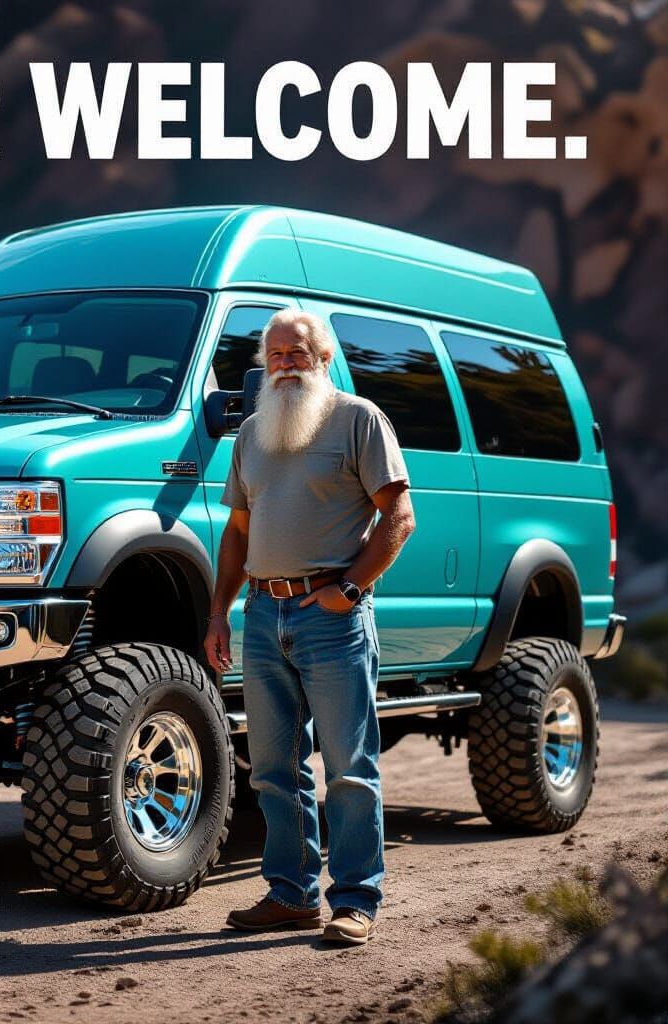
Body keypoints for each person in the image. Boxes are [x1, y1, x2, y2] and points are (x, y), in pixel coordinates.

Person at [204, 308, 415, 945]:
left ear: (323, 358)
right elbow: (238, 532)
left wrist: (349, 588)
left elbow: (399, 517)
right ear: (263, 367)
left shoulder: (358, 418)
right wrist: (219, 612)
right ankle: (291, 895)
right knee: (273, 767)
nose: (286, 364)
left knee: (349, 765)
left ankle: (356, 901)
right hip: (264, 614)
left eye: (298, 353)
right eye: (275, 355)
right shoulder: (251, 436)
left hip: (333, 617)